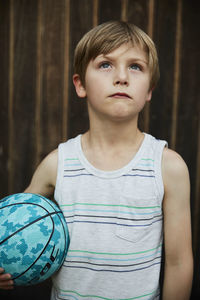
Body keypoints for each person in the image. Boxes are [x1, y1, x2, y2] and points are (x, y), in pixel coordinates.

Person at [0, 21, 193, 299]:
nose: (122, 77)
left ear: (149, 90)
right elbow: (14, 229)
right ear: (80, 85)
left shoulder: (167, 167)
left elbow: (178, 262)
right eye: (105, 65)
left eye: (136, 66)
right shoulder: (58, 164)